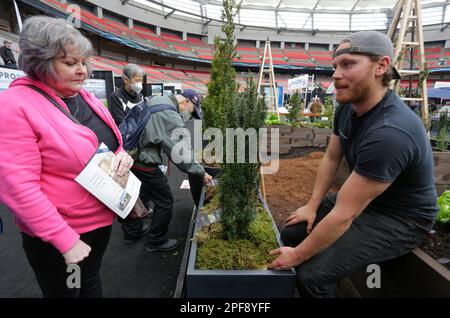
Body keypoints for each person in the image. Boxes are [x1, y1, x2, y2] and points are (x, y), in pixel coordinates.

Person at [268, 30, 438, 297]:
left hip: (400, 218)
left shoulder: (391, 132)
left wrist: (299, 256)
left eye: (348, 64)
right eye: (335, 66)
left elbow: (345, 214)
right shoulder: (347, 107)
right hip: (364, 202)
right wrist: (312, 206)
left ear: (381, 66)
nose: (335, 74)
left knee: (311, 275)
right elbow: (333, 157)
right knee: (291, 233)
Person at [0, 16, 134, 298]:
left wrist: (123, 156)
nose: (82, 71)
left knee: (90, 284)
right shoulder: (15, 106)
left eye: (83, 63)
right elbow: (18, 187)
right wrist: (65, 240)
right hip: (60, 235)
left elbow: (111, 144)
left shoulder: (85, 97)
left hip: (99, 223)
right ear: (41, 63)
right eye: (71, 63)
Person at [132, 89, 212, 252]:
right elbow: (180, 154)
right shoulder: (170, 115)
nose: (190, 117)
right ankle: (156, 240)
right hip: (143, 160)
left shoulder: (161, 99)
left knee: (142, 191)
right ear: (186, 102)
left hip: (132, 154)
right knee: (165, 200)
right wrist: (201, 172)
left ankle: (132, 231)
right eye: (192, 112)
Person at [109, 63, 149, 244]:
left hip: (141, 150)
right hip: (124, 152)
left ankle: (142, 214)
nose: (139, 84)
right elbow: (122, 125)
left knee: (141, 187)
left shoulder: (141, 96)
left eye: (141, 80)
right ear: (125, 79)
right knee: (126, 190)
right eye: (136, 80)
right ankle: (131, 232)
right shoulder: (116, 97)